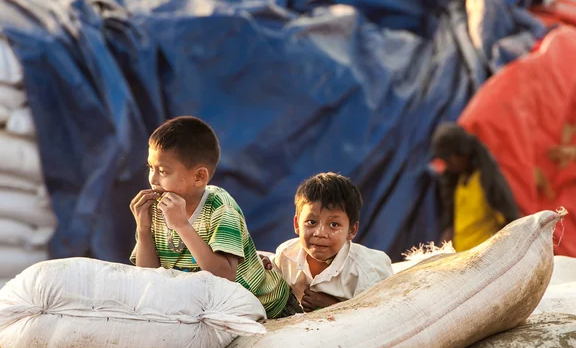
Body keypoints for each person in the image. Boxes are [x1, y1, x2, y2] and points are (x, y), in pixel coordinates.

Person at [129, 116, 289, 318]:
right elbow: (148, 276)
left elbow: (225, 276)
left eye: (163, 171)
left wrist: (182, 225)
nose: (153, 179)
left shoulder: (220, 207)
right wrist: (143, 230)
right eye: (151, 168)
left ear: (199, 177)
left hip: (263, 304)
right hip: (205, 305)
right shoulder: (156, 210)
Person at [263, 172, 393, 313]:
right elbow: (270, 282)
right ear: (297, 224)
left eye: (334, 225)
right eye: (311, 222)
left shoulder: (366, 272)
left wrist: (332, 306)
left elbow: (381, 317)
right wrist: (262, 268)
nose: (320, 233)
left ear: (352, 230)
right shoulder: (286, 255)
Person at [430, 122, 520, 252]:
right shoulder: (456, 181)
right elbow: (451, 223)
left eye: (449, 161)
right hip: (460, 258)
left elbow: (509, 223)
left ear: (462, 152)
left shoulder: (486, 180)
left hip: (485, 257)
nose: (447, 166)